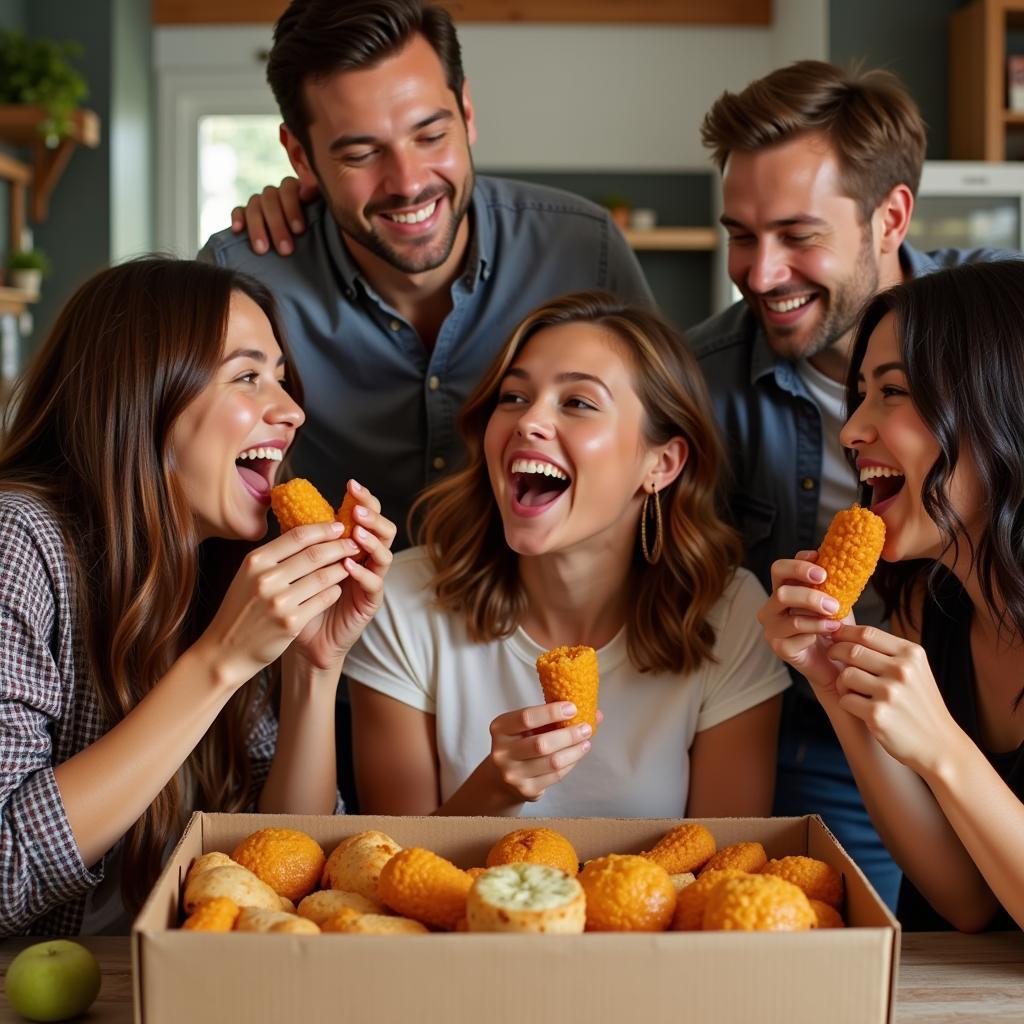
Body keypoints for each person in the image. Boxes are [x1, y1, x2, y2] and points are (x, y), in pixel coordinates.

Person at [686, 60, 1008, 908]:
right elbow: (966, 908)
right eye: (740, 234)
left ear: (890, 217)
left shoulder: (998, 326)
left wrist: (934, 742)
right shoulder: (702, 381)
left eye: (797, 235)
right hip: (814, 718)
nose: (758, 273)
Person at [0, 257, 395, 937]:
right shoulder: (19, 540)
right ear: (141, 395)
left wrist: (313, 664)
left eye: (280, 376)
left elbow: (284, 873)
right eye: (247, 377)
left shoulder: (214, 571)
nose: (292, 410)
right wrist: (220, 661)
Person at [200, 0, 653, 549]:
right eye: (362, 154)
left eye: (430, 135)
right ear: (300, 155)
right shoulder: (241, 279)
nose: (409, 182)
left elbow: (656, 442)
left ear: (466, 111)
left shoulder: (586, 249)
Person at [343, 292, 789, 817]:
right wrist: (495, 790)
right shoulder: (403, 602)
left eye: (578, 402)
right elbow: (393, 875)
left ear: (662, 463)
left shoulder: (730, 613)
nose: (528, 422)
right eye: (512, 397)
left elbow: (723, 871)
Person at [760, 260, 1024, 931]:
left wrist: (940, 747)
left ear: (1003, 404)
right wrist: (830, 674)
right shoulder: (927, 607)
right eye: (861, 397)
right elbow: (965, 905)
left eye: (894, 392)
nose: (851, 432)